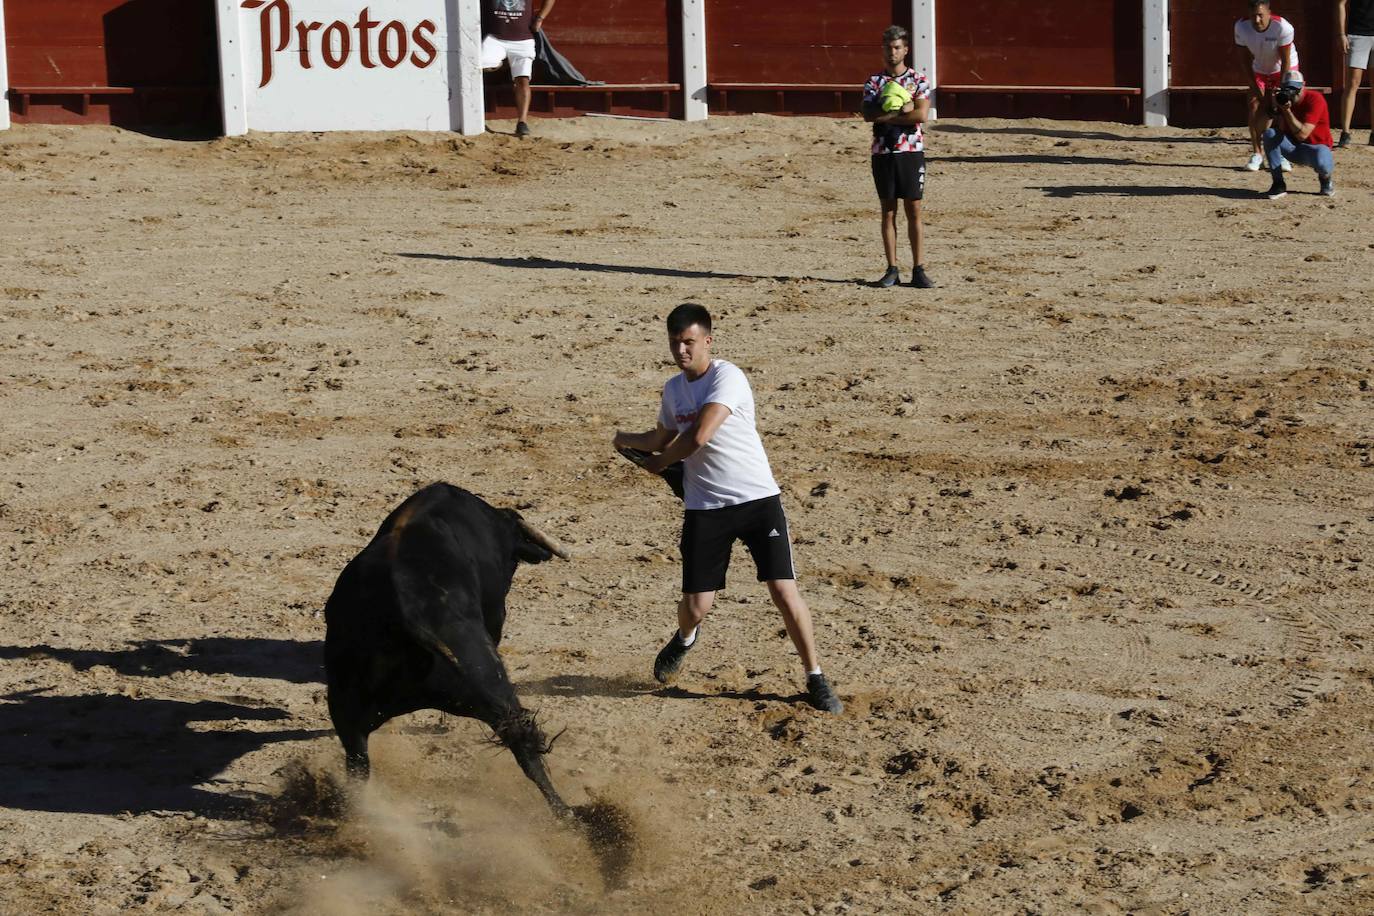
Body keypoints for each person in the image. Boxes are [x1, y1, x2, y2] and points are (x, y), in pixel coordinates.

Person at [612, 303, 843, 714]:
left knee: (783, 591)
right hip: (705, 507)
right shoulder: (673, 389)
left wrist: (661, 464)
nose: (681, 350)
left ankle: (815, 677)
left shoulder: (727, 377)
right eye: (674, 343)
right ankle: (684, 638)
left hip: (757, 501)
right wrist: (624, 438)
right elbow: (662, 436)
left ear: (707, 341)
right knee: (697, 607)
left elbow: (699, 435)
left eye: (688, 342)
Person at [861, 25, 934, 289]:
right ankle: (891, 268)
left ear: (906, 50)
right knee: (888, 211)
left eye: (897, 48)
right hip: (883, 152)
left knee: (913, 209)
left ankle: (918, 269)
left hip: (911, 151)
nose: (892, 53)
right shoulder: (873, 82)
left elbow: (921, 116)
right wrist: (902, 112)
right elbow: (868, 115)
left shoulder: (918, 80)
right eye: (888, 48)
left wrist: (887, 116)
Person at [1235, 1, 1298, 171]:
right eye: (1253, 15)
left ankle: (1282, 154)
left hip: (1283, 69)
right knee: (1254, 105)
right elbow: (1244, 61)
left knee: (1282, 107)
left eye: (1260, 15)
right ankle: (1257, 153)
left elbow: (1284, 60)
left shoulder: (1283, 27)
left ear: (1269, 12)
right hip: (1260, 69)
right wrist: (1254, 86)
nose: (1256, 19)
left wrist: (1281, 88)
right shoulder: (1241, 27)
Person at [481, 0, 557, 138]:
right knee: (480, 66)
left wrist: (540, 18)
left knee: (523, 80)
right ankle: (501, 65)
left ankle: (522, 122)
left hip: (523, 39)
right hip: (495, 38)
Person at [1261, 70, 1335, 198]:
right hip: (1293, 148)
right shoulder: (1282, 100)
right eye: (1287, 89)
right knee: (1269, 134)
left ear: (1303, 86)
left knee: (1322, 160)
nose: (1292, 93)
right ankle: (1278, 184)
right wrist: (1273, 107)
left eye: (1295, 89)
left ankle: (1325, 179)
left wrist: (1287, 111)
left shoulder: (1315, 99)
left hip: (1316, 149)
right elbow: (1267, 131)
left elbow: (1303, 135)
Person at [1336, 0, 1374, 147]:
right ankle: (1345, 133)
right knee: (1352, 83)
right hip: (1358, 34)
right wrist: (1341, 34)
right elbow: (1340, 4)